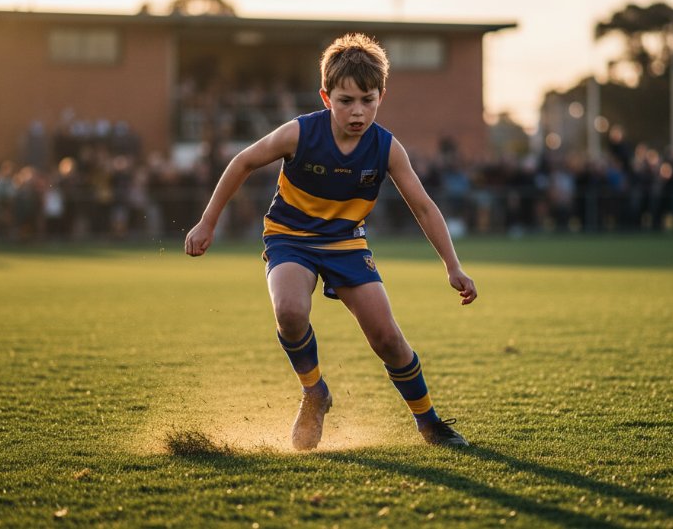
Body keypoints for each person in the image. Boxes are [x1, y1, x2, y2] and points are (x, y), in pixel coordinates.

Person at [184, 33, 477, 450]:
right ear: (326, 97)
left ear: (381, 96)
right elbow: (243, 161)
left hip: (346, 243)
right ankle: (315, 392)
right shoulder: (300, 133)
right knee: (289, 310)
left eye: (367, 100)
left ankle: (429, 424)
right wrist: (207, 222)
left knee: (387, 339)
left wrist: (453, 266)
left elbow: (425, 207)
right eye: (345, 101)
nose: (357, 111)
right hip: (290, 238)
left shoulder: (387, 148)